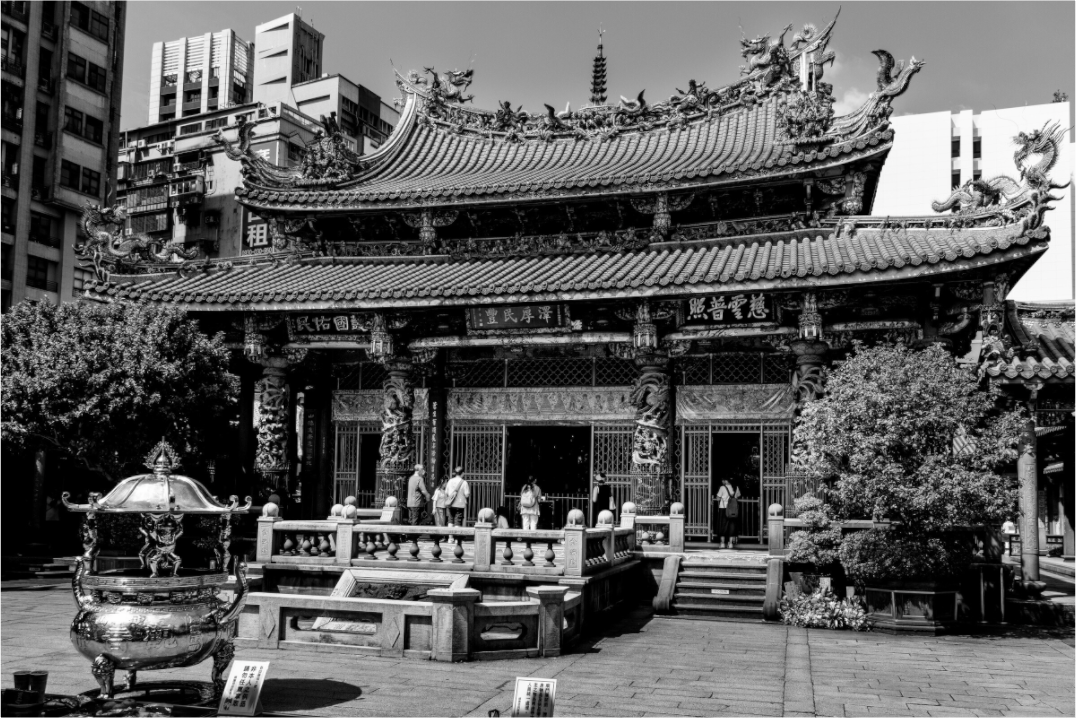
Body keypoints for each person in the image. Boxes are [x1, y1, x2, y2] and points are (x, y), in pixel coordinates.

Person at [715, 478, 741, 549]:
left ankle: (723, 543)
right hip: (733, 510)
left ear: (726, 480)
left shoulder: (722, 487)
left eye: (723, 480)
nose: (722, 481)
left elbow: (718, 498)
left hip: (723, 509)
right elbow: (737, 497)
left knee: (723, 525)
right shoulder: (736, 487)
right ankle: (730, 543)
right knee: (732, 525)